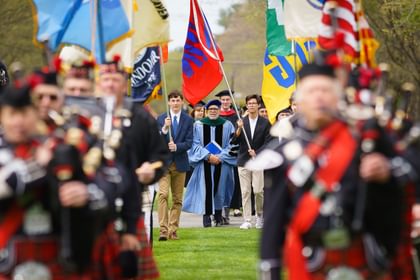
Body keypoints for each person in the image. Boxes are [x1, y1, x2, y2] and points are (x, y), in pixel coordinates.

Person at [258, 62, 404, 279]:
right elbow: (274, 221)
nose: (319, 97)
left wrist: (385, 175)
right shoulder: (284, 153)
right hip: (310, 258)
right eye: (311, 91)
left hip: (364, 255)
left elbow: (401, 194)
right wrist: (270, 269)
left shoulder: (366, 141)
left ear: (338, 98)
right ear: (298, 101)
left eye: (325, 90)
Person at [0, 84, 110, 278]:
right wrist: (39, 165)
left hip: (58, 255)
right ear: (2, 116)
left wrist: (86, 193)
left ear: (35, 114)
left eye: (24, 113)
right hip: (6, 258)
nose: (19, 121)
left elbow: (110, 181)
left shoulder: (63, 146)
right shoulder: (37, 153)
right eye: (12, 114)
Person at [183, 99, 236, 227]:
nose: (213, 111)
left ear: (219, 110)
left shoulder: (228, 125)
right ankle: (206, 217)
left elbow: (233, 144)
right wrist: (207, 156)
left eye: (215, 109)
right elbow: (194, 144)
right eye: (210, 109)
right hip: (204, 163)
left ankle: (218, 216)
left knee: (220, 189)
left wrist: (220, 156)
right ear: (206, 111)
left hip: (221, 163)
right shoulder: (198, 125)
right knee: (205, 189)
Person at [156, 90, 193, 241]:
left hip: (180, 163)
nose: (175, 103)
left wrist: (177, 147)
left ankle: (173, 229)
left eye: (178, 100)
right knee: (163, 194)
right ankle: (163, 230)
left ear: (182, 102)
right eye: (173, 101)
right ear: (169, 102)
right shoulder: (161, 118)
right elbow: (157, 140)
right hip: (164, 163)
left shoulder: (188, 120)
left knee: (177, 199)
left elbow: (190, 142)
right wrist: (165, 128)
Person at [235, 95, 271, 229]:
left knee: (258, 190)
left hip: (258, 160)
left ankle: (260, 216)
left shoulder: (265, 122)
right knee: (245, 191)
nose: (251, 105)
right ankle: (247, 219)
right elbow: (234, 141)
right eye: (249, 103)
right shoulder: (241, 121)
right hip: (243, 160)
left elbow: (268, 142)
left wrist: (257, 152)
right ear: (247, 105)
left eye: (254, 103)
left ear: (258, 105)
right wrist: (238, 128)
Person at [215, 89, 242, 219]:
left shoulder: (236, 115)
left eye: (227, 99)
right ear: (220, 101)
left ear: (231, 101)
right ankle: (219, 211)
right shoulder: (215, 115)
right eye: (223, 100)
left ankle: (234, 206)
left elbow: (237, 135)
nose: (225, 102)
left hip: (232, 152)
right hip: (216, 153)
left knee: (233, 181)